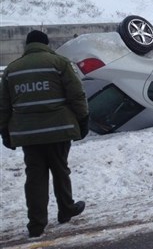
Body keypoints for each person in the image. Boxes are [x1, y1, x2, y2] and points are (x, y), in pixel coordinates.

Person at [0, 30, 90, 238]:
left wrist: (4, 130)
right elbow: (76, 94)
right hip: (58, 130)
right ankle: (66, 208)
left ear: (28, 45)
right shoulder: (59, 63)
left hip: (28, 134)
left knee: (35, 177)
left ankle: (36, 224)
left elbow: (3, 105)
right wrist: (83, 119)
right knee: (60, 170)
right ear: (46, 44)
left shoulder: (12, 70)